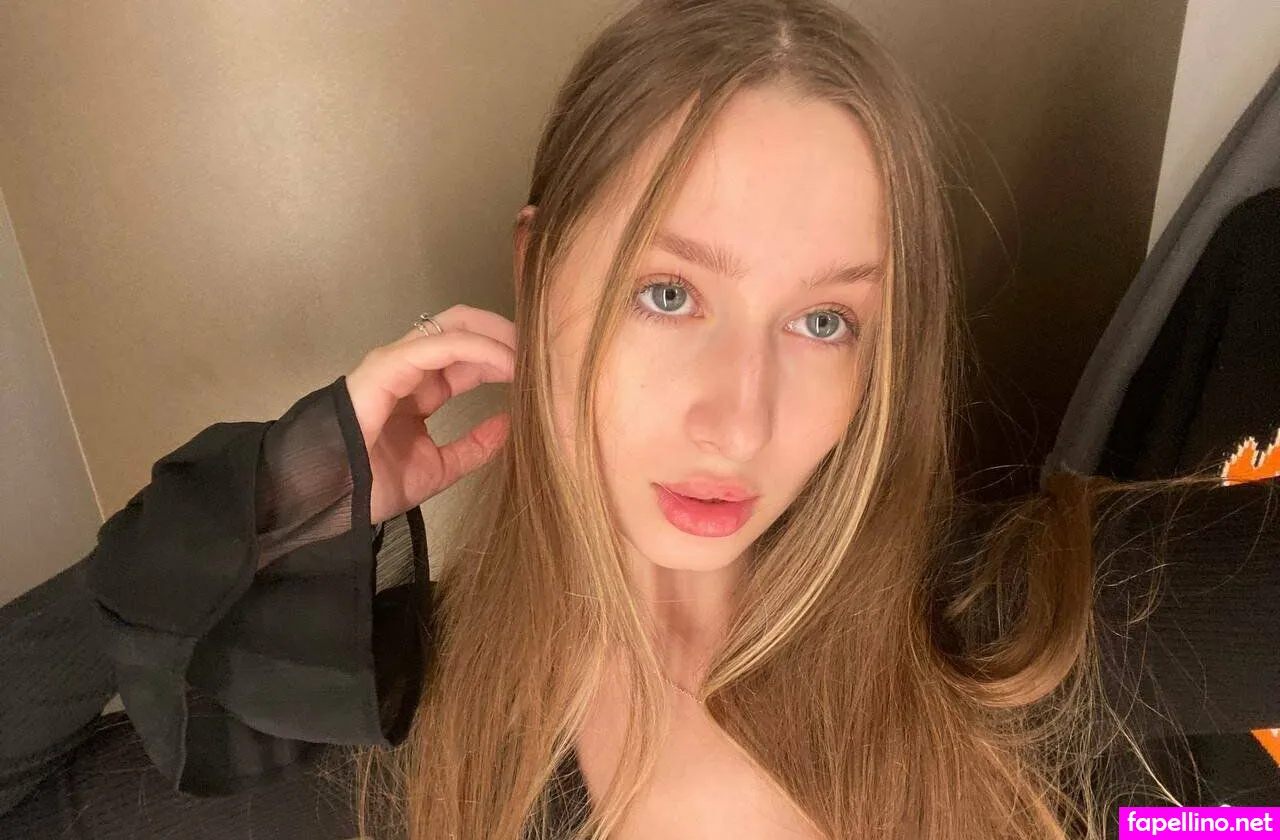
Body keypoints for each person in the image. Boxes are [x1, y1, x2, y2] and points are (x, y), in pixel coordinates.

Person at [4, 1, 1280, 838]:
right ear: (535, 268)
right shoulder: (383, 752)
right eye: (667, 294)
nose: (736, 422)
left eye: (822, 321)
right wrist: (248, 511)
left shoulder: (1029, 632)